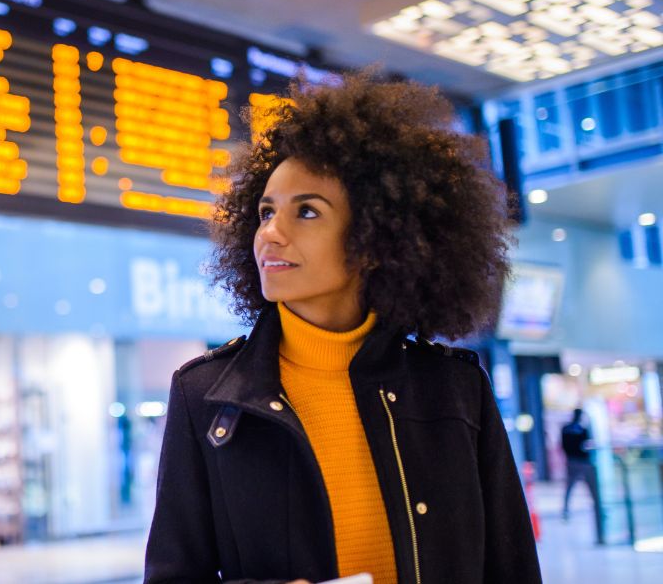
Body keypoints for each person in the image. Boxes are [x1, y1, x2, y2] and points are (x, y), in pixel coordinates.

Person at [145, 72, 541, 583]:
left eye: (306, 211)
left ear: (377, 238)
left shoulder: (457, 389)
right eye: (266, 212)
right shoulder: (206, 396)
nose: (270, 233)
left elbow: (511, 569)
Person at [561, 408, 604, 544]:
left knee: (571, 488)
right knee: (574, 488)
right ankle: (567, 510)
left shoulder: (568, 429)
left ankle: (567, 510)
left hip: (574, 461)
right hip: (580, 462)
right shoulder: (579, 429)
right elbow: (585, 445)